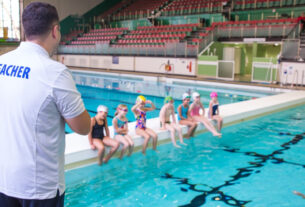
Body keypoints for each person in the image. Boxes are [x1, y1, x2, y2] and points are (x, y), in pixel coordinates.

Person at [0, 2, 91, 207]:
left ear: (25, 29)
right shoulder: (55, 73)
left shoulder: (2, 61)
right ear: (55, 30)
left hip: (4, 180)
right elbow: (83, 127)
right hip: (39, 188)